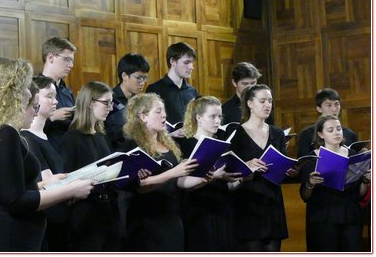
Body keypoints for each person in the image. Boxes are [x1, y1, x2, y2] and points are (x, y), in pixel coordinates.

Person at [0, 57, 93, 252]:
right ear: (10, 93)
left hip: (13, 234)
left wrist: (43, 185)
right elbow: (15, 201)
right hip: (6, 236)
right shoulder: (5, 133)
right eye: (25, 87)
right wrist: (70, 190)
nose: (29, 93)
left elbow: (8, 188)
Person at [120, 93, 202, 251]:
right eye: (158, 111)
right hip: (147, 221)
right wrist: (174, 171)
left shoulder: (168, 144)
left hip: (171, 216)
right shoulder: (134, 146)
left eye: (164, 111)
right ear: (143, 116)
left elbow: (177, 181)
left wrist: (205, 176)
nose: (164, 115)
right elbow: (139, 186)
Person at [229, 84, 296, 251]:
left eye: (270, 101)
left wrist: (289, 170)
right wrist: (247, 166)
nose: (268, 105)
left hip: (272, 203)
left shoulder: (278, 133)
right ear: (250, 104)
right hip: (248, 204)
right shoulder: (236, 134)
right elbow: (230, 170)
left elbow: (280, 168)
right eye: (263, 101)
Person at [59, 81, 121, 251]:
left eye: (112, 102)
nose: (110, 107)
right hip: (85, 215)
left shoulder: (102, 135)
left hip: (109, 211)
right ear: (90, 103)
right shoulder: (72, 138)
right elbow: (65, 179)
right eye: (106, 102)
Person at [299, 115, 370, 251]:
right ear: (321, 134)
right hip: (323, 218)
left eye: (338, 128)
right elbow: (305, 196)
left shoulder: (353, 155)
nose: (336, 132)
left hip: (350, 216)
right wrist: (310, 183)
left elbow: (360, 194)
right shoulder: (311, 159)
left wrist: (365, 180)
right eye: (330, 130)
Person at [178, 96, 240, 251]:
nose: (217, 121)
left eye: (220, 117)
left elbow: (228, 185)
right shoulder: (185, 144)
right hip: (197, 211)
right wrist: (214, 177)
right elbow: (181, 184)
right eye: (212, 116)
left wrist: (243, 176)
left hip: (223, 208)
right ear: (199, 117)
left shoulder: (223, 145)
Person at [20, 75, 68, 251]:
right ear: (34, 97)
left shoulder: (46, 135)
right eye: (49, 96)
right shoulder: (26, 137)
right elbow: (47, 181)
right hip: (45, 219)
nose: (55, 101)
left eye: (55, 96)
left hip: (58, 215)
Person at [145, 42, 199, 136]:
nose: (191, 67)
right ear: (172, 61)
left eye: (192, 63)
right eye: (186, 62)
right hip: (166, 145)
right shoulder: (154, 89)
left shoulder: (193, 92)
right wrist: (170, 135)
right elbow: (148, 125)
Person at [104, 53, 150, 152]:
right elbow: (103, 134)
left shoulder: (141, 102)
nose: (142, 83)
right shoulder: (109, 100)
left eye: (145, 78)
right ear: (125, 76)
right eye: (138, 78)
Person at [297, 88, 358, 158]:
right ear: (319, 109)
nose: (334, 109)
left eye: (337, 104)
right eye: (329, 105)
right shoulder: (306, 134)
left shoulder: (350, 134)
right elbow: (302, 163)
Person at [40, 37, 77, 153]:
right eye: (67, 59)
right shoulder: (33, 87)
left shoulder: (67, 91)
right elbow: (23, 127)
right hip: (47, 153)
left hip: (69, 153)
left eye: (72, 61)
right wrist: (52, 117)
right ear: (50, 58)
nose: (71, 65)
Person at [221, 62, 274, 127]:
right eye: (245, 84)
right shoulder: (226, 109)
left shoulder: (264, 104)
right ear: (234, 83)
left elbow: (271, 128)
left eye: (253, 83)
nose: (249, 87)